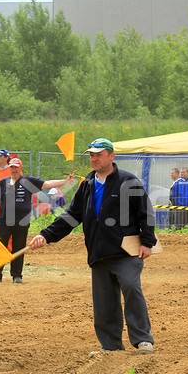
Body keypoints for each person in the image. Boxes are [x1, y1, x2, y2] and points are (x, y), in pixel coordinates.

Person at [28, 137, 157, 355]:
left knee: (131, 288)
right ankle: (110, 344)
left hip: (126, 251)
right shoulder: (87, 185)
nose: (94, 158)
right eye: (92, 155)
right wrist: (46, 235)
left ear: (111, 156)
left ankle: (143, 339)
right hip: (98, 251)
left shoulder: (128, 181)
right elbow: (71, 216)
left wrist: (147, 242)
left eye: (99, 154)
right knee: (104, 300)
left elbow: (145, 212)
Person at [0, 158, 75, 283]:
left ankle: (17, 276)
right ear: (9, 168)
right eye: (12, 167)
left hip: (22, 222)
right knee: (0, 247)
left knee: (19, 247)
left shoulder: (28, 181)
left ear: (20, 168)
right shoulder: (2, 183)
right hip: (4, 221)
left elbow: (47, 184)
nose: (14, 169)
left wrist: (65, 181)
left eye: (16, 167)